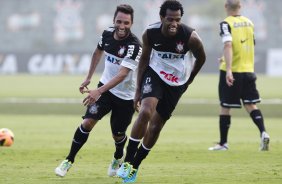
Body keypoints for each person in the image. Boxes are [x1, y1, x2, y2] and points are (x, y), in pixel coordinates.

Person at [116, 0, 206, 183]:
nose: (174, 23)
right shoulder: (150, 33)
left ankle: (135, 166)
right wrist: (138, 91)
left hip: (177, 82)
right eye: (170, 19)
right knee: (146, 112)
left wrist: (189, 81)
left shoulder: (191, 37)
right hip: (155, 74)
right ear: (162, 17)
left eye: (178, 20)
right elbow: (143, 61)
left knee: (156, 126)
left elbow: (201, 59)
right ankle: (126, 161)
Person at [55, 4, 142, 177]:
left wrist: (98, 91)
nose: (122, 26)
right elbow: (97, 52)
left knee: (118, 135)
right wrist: (89, 77)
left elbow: (122, 75)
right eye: (119, 21)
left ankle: (118, 156)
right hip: (105, 91)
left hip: (125, 97)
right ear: (113, 21)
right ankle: (68, 160)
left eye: (126, 22)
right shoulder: (107, 34)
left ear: (131, 23)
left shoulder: (134, 46)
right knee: (87, 123)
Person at [208, 0, 270, 151]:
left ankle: (223, 143)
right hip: (248, 70)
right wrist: (226, 57)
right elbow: (247, 45)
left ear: (225, 7)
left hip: (232, 71)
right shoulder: (249, 22)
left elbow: (228, 44)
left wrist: (228, 68)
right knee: (250, 104)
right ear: (240, 6)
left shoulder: (225, 23)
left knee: (225, 107)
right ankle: (263, 133)